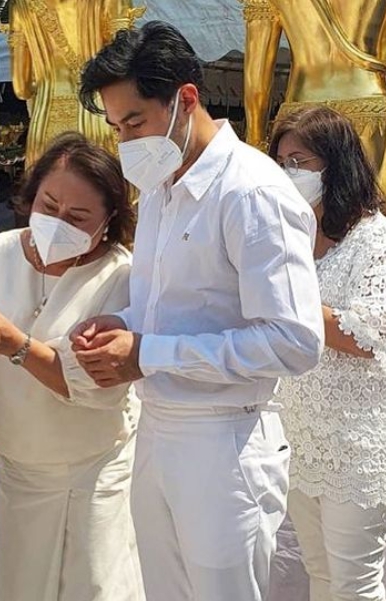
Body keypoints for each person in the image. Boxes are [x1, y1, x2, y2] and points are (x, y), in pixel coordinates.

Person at [73, 21, 325, 601]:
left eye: (135, 122)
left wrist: (148, 352)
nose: (126, 141)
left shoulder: (252, 192)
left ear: (186, 99)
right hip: (157, 429)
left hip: (225, 439)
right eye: (116, 128)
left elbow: (294, 341)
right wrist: (125, 325)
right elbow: (178, 308)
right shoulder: (160, 187)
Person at [0, 132, 144, 601]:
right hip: (20, 464)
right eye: (49, 206)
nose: (57, 222)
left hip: (94, 466)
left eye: (77, 217)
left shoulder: (119, 274)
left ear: (108, 221)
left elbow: (95, 385)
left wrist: (16, 345)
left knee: (97, 587)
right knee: (23, 588)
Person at [269, 106, 386, 601]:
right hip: (303, 435)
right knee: (320, 572)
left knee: (354, 583)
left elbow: (365, 335)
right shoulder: (289, 238)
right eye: (282, 162)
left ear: (336, 165)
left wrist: (285, 298)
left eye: (300, 162)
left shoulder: (374, 237)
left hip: (360, 443)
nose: (288, 173)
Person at [243, 0, 386, 376]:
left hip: (298, 121)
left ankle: (298, 354)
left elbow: (255, 87)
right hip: (369, 114)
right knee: (383, 234)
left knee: (289, 240)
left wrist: (255, 147)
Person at [9, 0, 143, 165]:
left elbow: (21, 89)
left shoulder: (21, 5)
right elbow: (123, 65)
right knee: (105, 178)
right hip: (99, 118)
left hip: (45, 125)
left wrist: (43, 80)